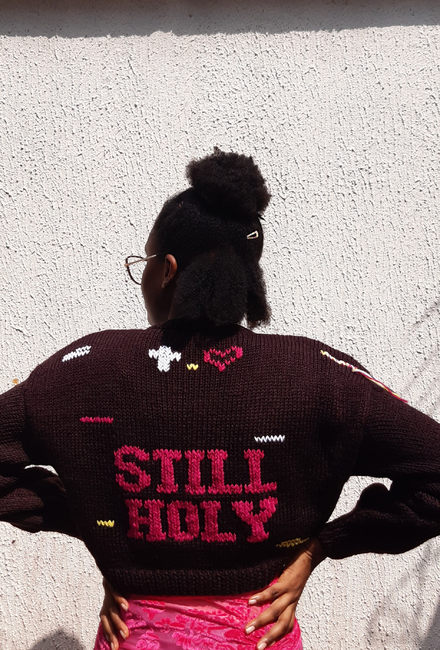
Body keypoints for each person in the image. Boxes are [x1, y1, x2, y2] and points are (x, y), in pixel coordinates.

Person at [1, 149, 440, 650]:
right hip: (258, 635)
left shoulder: (83, 370)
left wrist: (102, 533)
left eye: (144, 263)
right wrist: (320, 548)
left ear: (168, 270)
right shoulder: (321, 376)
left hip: (134, 636)